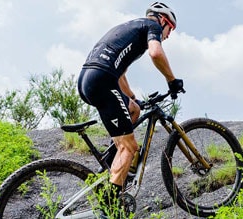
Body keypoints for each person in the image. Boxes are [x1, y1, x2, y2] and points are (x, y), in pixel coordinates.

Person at [77, 1, 184, 211]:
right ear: (163, 20)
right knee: (130, 147)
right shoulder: (151, 26)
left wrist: (133, 97)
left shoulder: (129, 28)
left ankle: (112, 165)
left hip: (88, 78)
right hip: (102, 79)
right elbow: (156, 53)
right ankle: (110, 208)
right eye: (170, 28)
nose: (169, 35)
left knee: (133, 109)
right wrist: (172, 80)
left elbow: (121, 73)